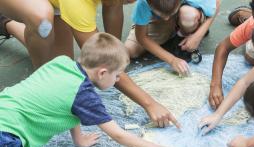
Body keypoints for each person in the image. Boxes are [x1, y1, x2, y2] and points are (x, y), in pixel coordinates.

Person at [0, 0, 180, 129]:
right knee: (55, 68)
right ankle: (42, 79)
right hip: (52, 7)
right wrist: (149, 104)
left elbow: (112, 6)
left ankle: (5, 25)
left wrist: (119, 58)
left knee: (62, 59)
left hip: (62, 4)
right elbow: (104, 59)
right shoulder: (78, 6)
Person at [0, 33, 175, 147]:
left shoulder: (62, 62)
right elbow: (118, 134)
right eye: (117, 75)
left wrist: (79, 139)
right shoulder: (84, 96)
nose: (117, 80)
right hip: (7, 135)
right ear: (102, 73)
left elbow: (68, 106)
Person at [124, 0, 219, 76]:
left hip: (184, 12)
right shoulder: (143, 3)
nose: (166, 18)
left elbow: (216, 3)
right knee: (131, 50)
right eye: (160, 13)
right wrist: (171, 59)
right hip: (157, 20)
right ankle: (173, 35)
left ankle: (185, 32)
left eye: (169, 13)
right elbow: (141, 37)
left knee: (188, 16)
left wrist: (198, 36)